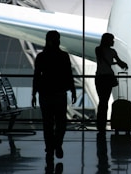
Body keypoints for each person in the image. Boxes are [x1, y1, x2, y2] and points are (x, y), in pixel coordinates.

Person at [31, 30, 77, 164]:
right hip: (60, 94)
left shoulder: (41, 57)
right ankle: (57, 144)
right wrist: (73, 90)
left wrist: (34, 94)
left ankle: (49, 148)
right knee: (61, 122)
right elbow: (69, 74)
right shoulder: (63, 56)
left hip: (45, 94)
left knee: (48, 123)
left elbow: (36, 77)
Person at [95, 33, 128, 135]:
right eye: (112, 40)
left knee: (102, 101)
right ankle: (103, 124)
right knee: (105, 101)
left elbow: (103, 61)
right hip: (108, 78)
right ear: (108, 40)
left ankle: (100, 124)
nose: (113, 41)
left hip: (99, 77)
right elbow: (119, 61)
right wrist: (118, 63)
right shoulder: (112, 51)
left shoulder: (98, 50)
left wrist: (113, 63)